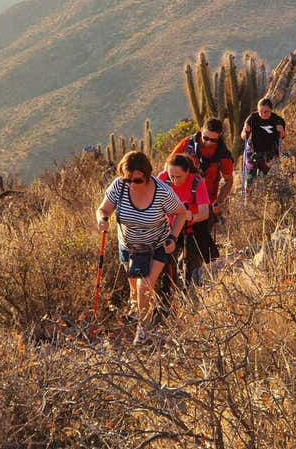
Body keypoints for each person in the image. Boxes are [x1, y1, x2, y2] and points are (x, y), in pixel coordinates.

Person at [96, 151, 189, 345]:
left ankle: (143, 331)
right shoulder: (119, 186)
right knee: (135, 292)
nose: (131, 184)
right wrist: (102, 219)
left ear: (146, 176)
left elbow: (181, 213)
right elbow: (103, 209)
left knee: (144, 286)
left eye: (137, 180)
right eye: (127, 179)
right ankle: (141, 316)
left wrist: (173, 237)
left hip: (157, 244)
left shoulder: (162, 192)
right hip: (128, 246)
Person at [158, 154, 218, 288]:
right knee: (165, 263)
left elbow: (204, 213)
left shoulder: (196, 181)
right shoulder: (162, 178)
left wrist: (190, 216)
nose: (173, 180)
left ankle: (190, 291)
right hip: (169, 227)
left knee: (191, 263)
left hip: (192, 227)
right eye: (171, 176)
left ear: (187, 171)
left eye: (178, 176)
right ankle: (168, 292)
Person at [170, 118, 234, 227]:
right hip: (182, 203)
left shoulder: (223, 154)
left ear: (219, 136)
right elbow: (169, 165)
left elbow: (229, 180)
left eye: (213, 140)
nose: (208, 142)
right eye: (206, 137)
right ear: (201, 130)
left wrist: (218, 201)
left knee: (202, 241)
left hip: (205, 206)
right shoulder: (187, 144)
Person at [241, 98, 286, 186]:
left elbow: (282, 137)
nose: (263, 114)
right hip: (253, 151)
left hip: (270, 151)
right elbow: (243, 136)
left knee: (267, 178)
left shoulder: (278, 120)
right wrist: (245, 131)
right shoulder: (252, 118)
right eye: (260, 111)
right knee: (250, 177)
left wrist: (281, 131)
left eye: (266, 111)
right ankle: (248, 196)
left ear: (271, 110)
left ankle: (265, 196)